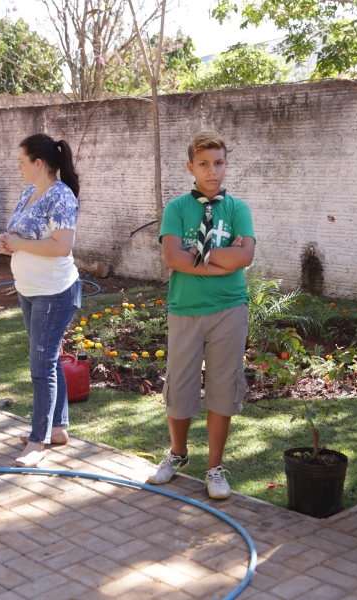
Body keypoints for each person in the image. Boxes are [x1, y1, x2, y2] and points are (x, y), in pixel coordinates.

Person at [147, 131, 255, 500]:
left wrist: (196, 253)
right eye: (204, 164)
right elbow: (172, 257)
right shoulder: (177, 209)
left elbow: (245, 256)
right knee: (180, 387)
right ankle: (177, 454)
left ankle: (214, 467)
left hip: (229, 309)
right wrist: (221, 263)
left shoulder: (238, 209)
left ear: (226, 165)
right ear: (190, 167)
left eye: (218, 163)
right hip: (186, 310)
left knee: (223, 388)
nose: (212, 171)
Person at [0, 133, 81, 469]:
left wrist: (18, 243)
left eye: (21, 161)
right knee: (49, 360)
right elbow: (24, 238)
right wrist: (9, 243)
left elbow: (62, 246)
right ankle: (57, 429)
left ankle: (38, 441)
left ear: (38, 163)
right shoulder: (29, 193)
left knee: (41, 366)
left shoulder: (61, 197)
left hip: (54, 292)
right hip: (29, 289)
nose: (18, 166)